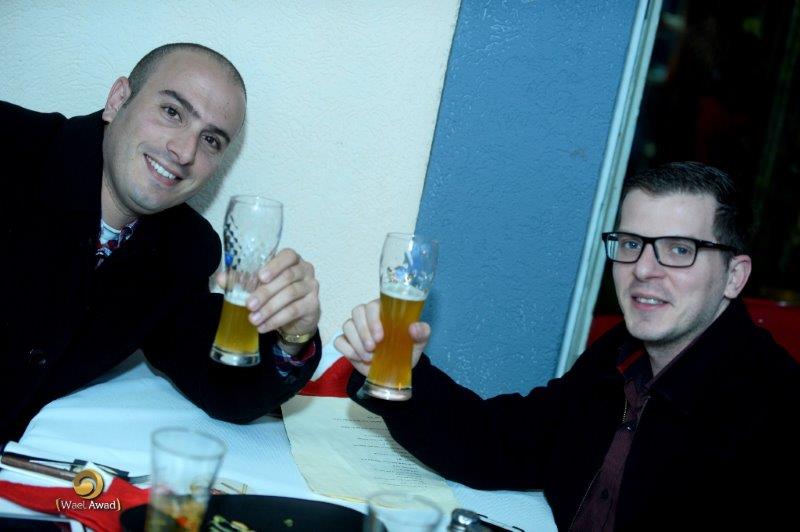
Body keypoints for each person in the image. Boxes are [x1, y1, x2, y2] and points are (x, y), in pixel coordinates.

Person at [335, 162, 800, 531]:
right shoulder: (619, 356)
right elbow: (497, 443)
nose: (643, 269)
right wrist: (403, 373)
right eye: (631, 244)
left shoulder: (775, 411)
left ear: (734, 276)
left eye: (679, 250)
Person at [0, 43, 321, 445]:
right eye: (172, 112)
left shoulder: (184, 250)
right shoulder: (11, 142)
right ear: (118, 100)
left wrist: (292, 337)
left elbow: (224, 387)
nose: (184, 152)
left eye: (211, 140)